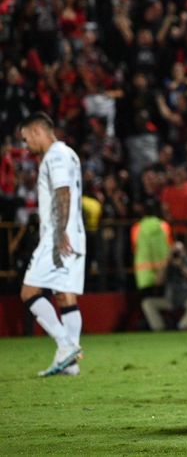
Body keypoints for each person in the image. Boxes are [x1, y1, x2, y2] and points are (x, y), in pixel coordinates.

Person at [18, 112, 86, 377]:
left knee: (28, 292)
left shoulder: (55, 155)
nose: (26, 145)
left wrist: (58, 232)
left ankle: (66, 344)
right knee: (64, 294)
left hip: (60, 235)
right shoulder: (69, 153)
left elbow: (63, 190)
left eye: (26, 139)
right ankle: (70, 362)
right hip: (75, 233)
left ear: (37, 132)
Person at [141, 242, 187, 331]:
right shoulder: (168, 265)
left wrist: (181, 266)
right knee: (147, 303)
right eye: (174, 252)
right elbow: (158, 282)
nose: (176, 254)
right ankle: (159, 329)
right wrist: (166, 262)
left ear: (185, 251)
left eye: (179, 252)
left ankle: (183, 326)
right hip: (171, 299)